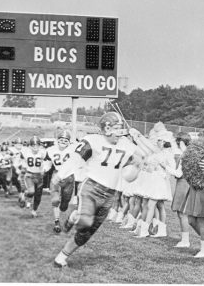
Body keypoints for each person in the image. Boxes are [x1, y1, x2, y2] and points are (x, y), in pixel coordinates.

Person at [53, 112, 144, 267]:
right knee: (86, 222)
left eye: (121, 128)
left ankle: (60, 258)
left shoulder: (126, 144)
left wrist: (139, 154)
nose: (120, 132)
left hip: (110, 194)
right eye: (116, 128)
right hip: (91, 188)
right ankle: (74, 216)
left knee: (86, 233)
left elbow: (143, 157)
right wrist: (61, 174)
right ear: (106, 128)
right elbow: (76, 159)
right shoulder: (92, 140)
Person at [44, 130, 76, 233]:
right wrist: (45, 168)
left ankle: (64, 205)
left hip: (69, 177)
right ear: (57, 141)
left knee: (64, 204)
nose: (63, 142)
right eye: (61, 140)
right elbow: (47, 161)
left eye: (66, 140)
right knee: (55, 200)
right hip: (56, 175)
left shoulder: (73, 149)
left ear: (69, 142)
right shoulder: (51, 150)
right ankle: (57, 222)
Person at [169, 132, 191, 247]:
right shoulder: (188, 154)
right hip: (184, 184)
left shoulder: (185, 155)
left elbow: (178, 174)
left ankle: (185, 240)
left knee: (182, 213)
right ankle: (185, 239)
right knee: (182, 213)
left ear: (181, 142)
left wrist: (165, 167)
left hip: (183, 184)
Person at [19, 136, 47, 217]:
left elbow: (47, 162)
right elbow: (21, 161)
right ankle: (25, 196)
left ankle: (34, 210)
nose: (35, 147)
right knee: (31, 191)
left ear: (40, 145)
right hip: (30, 174)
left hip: (39, 176)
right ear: (30, 146)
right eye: (33, 145)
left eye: (37, 145)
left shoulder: (43, 152)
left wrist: (44, 169)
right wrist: (22, 169)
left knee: (38, 195)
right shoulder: (25, 152)